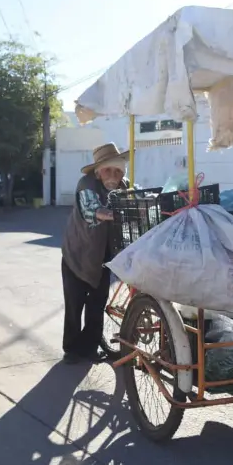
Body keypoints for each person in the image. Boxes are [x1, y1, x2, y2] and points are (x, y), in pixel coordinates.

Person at [60, 142, 129, 364]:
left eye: (118, 171)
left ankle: (89, 349)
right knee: (74, 304)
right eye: (108, 169)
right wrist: (113, 214)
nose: (113, 175)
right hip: (77, 254)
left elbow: (138, 200)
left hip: (103, 256)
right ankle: (71, 349)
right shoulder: (86, 184)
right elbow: (93, 210)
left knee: (97, 304)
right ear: (98, 172)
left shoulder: (124, 186)